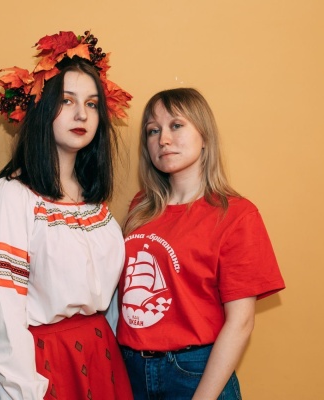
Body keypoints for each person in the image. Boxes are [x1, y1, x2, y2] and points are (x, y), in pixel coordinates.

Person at [0, 30, 133, 400]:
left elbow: (110, 304)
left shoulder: (95, 205)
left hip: (102, 359)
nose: (82, 114)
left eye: (92, 104)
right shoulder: (12, 197)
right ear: (43, 108)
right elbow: (1, 318)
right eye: (67, 100)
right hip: (43, 365)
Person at [116, 88, 285, 399]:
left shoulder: (236, 215)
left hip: (194, 371)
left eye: (176, 125)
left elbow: (241, 322)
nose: (163, 139)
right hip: (132, 369)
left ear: (204, 136)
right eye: (153, 131)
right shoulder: (140, 207)